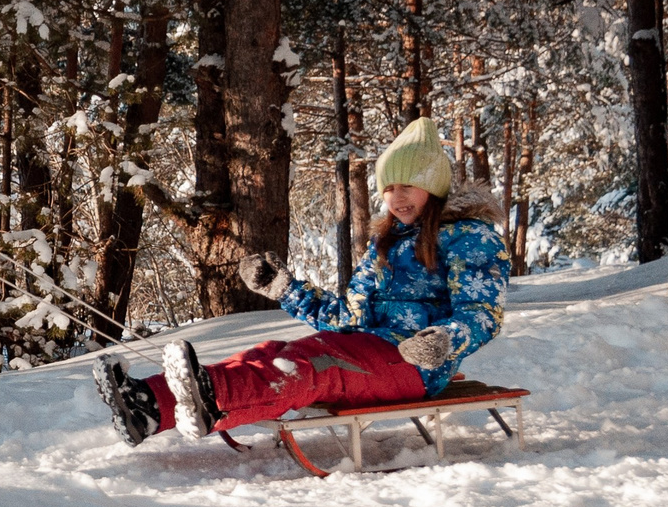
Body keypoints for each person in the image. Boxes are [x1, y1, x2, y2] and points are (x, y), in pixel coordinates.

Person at [96, 116, 508, 445]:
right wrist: (285, 288)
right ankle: (149, 405)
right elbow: (347, 317)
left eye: (409, 186)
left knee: (312, 365)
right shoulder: (385, 243)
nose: (397, 198)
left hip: (413, 366)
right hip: (369, 348)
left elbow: (482, 313)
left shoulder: (470, 238)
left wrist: (443, 341)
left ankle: (214, 400)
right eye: (389, 188)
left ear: (433, 187)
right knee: (275, 349)